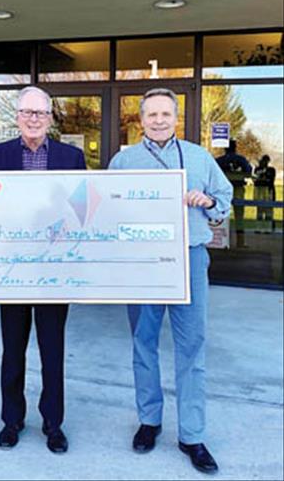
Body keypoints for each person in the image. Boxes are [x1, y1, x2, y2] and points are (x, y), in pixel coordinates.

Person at [109, 88, 232, 475]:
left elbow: (225, 198)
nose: (159, 120)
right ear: (140, 119)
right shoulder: (123, 161)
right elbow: (106, 208)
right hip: (140, 262)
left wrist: (208, 202)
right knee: (143, 342)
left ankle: (192, 435)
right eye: (151, 114)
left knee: (192, 346)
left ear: (176, 117)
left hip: (189, 259)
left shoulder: (198, 157)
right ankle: (149, 421)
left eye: (165, 114)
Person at [0, 86, 86, 454]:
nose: (33, 118)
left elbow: (82, 212)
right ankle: (12, 420)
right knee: (12, 350)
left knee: (52, 351)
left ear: (50, 117)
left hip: (54, 272)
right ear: (17, 116)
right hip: (11, 271)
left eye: (40, 113)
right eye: (27, 112)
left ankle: (53, 423)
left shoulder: (72, 157)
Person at [216, 140, 252, 248]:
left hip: (223, 190)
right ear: (235, 148)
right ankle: (240, 242)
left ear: (225, 148)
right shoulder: (241, 160)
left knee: (222, 215)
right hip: (238, 188)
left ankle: (221, 242)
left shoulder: (220, 161)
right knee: (239, 216)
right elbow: (248, 171)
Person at [253, 155, 276, 232]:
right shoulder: (257, 169)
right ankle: (258, 228)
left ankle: (268, 228)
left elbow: (270, 180)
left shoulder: (271, 170)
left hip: (268, 190)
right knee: (259, 209)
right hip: (259, 190)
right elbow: (255, 180)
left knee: (268, 210)